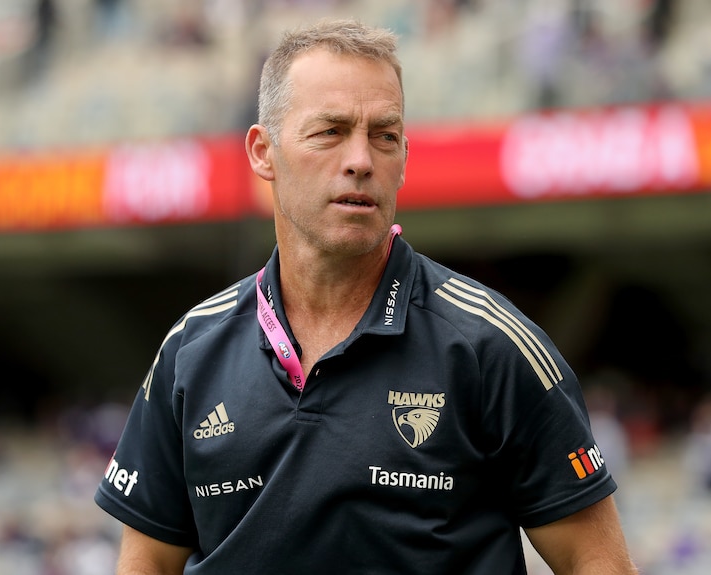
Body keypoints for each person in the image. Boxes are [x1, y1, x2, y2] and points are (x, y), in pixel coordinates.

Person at [94, 18, 639, 575]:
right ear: (263, 153)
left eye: (384, 135)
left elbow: (597, 562)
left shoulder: (490, 345)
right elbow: (148, 563)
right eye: (330, 131)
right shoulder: (191, 349)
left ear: (404, 156)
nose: (361, 160)